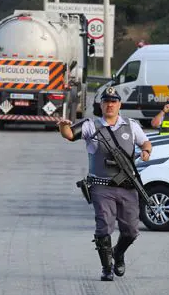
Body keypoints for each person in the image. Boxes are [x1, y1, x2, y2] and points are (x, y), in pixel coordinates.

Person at [57, 86, 152, 281]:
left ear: (119, 104)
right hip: (102, 187)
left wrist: (146, 152)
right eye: (106, 101)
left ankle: (118, 254)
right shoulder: (92, 126)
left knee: (132, 231)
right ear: (101, 104)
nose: (110, 105)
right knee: (103, 227)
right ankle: (106, 268)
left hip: (128, 186)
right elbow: (68, 134)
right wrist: (63, 125)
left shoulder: (131, 125)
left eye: (113, 101)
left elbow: (146, 143)